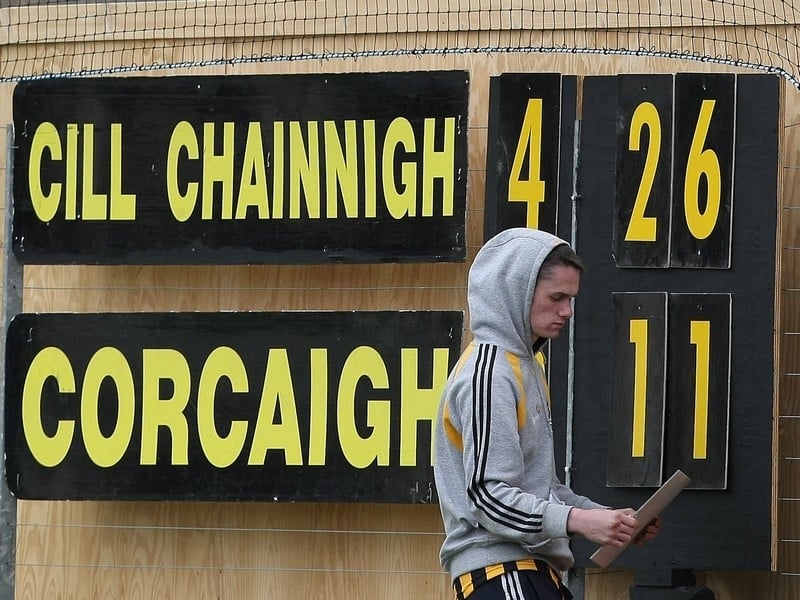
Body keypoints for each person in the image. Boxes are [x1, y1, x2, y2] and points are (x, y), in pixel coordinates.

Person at [433, 228, 661, 600]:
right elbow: (489, 498)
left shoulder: (524, 365)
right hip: (502, 574)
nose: (567, 311)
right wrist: (580, 521)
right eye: (556, 297)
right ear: (516, 291)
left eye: (570, 299)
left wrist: (609, 520)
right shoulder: (490, 374)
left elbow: (543, 490)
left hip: (527, 574)